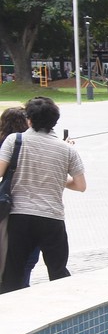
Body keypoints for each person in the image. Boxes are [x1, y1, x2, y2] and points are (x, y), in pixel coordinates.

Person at [0, 97, 88, 292]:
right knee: (58, 272)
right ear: (54, 121)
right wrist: (56, 178)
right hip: (52, 217)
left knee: (13, 272)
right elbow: (81, 185)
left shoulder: (14, 140)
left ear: (29, 119)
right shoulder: (66, 149)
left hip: (19, 217)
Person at [0, 107, 31, 284]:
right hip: (21, 204)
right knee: (24, 257)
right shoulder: (24, 143)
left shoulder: (4, 141)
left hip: (4, 202)